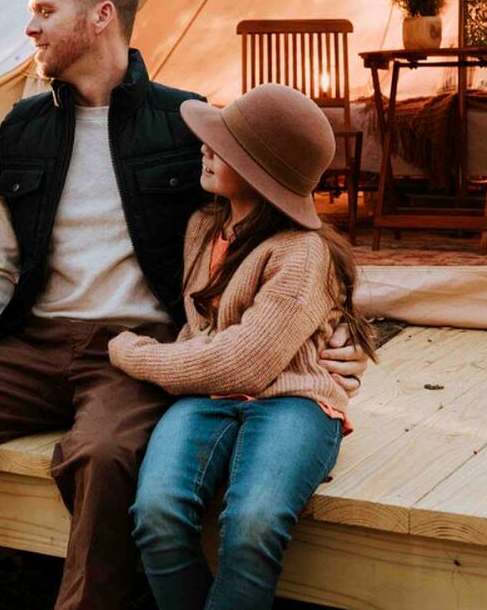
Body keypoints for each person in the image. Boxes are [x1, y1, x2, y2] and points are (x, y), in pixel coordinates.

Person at [0, 0, 370, 610]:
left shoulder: (184, 123)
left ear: (101, 15)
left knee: (105, 456)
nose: (30, 28)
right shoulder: (20, 130)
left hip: (135, 350)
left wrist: (326, 323)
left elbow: (267, 234)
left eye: (46, 11)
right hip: (31, 342)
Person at [110, 83, 378, 610]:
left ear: (261, 172)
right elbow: (212, 346)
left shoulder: (302, 253)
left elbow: (243, 362)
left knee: (253, 523)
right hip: (206, 397)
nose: (205, 148)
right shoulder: (203, 228)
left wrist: (132, 353)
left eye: (224, 145)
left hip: (294, 401)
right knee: (156, 515)